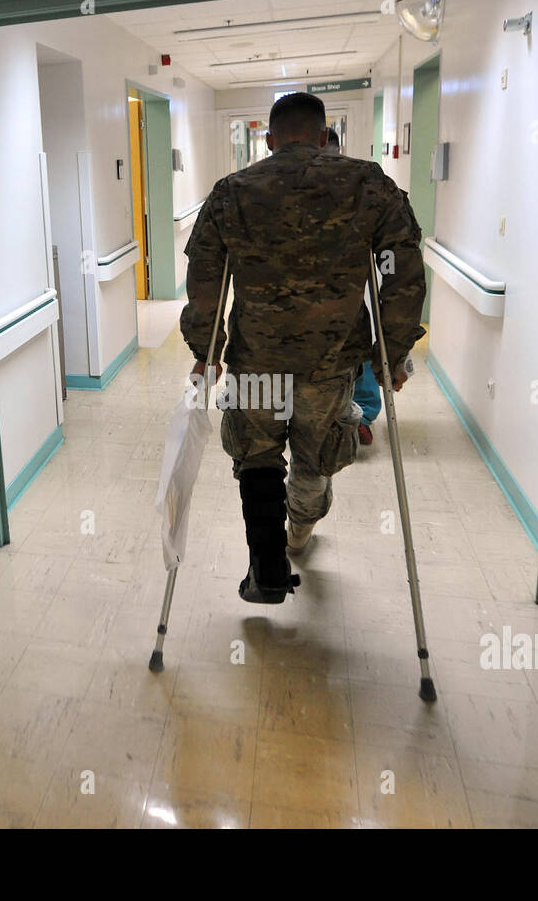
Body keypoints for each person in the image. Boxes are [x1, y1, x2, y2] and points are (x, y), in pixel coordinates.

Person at [180, 92, 426, 604]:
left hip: (256, 361)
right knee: (315, 454)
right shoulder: (369, 185)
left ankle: (266, 567)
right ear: (322, 136)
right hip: (330, 363)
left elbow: (205, 280)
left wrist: (206, 349)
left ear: (269, 141)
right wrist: (393, 353)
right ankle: (299, 532)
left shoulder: (233, 192)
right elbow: (401, 275)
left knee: (258, 455)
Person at [322, 128, 383, 447]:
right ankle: (358, 415)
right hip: (345, 301)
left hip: (326, 301)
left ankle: (357, 416)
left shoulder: (363, 186)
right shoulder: (364, 183)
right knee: (357, 352)